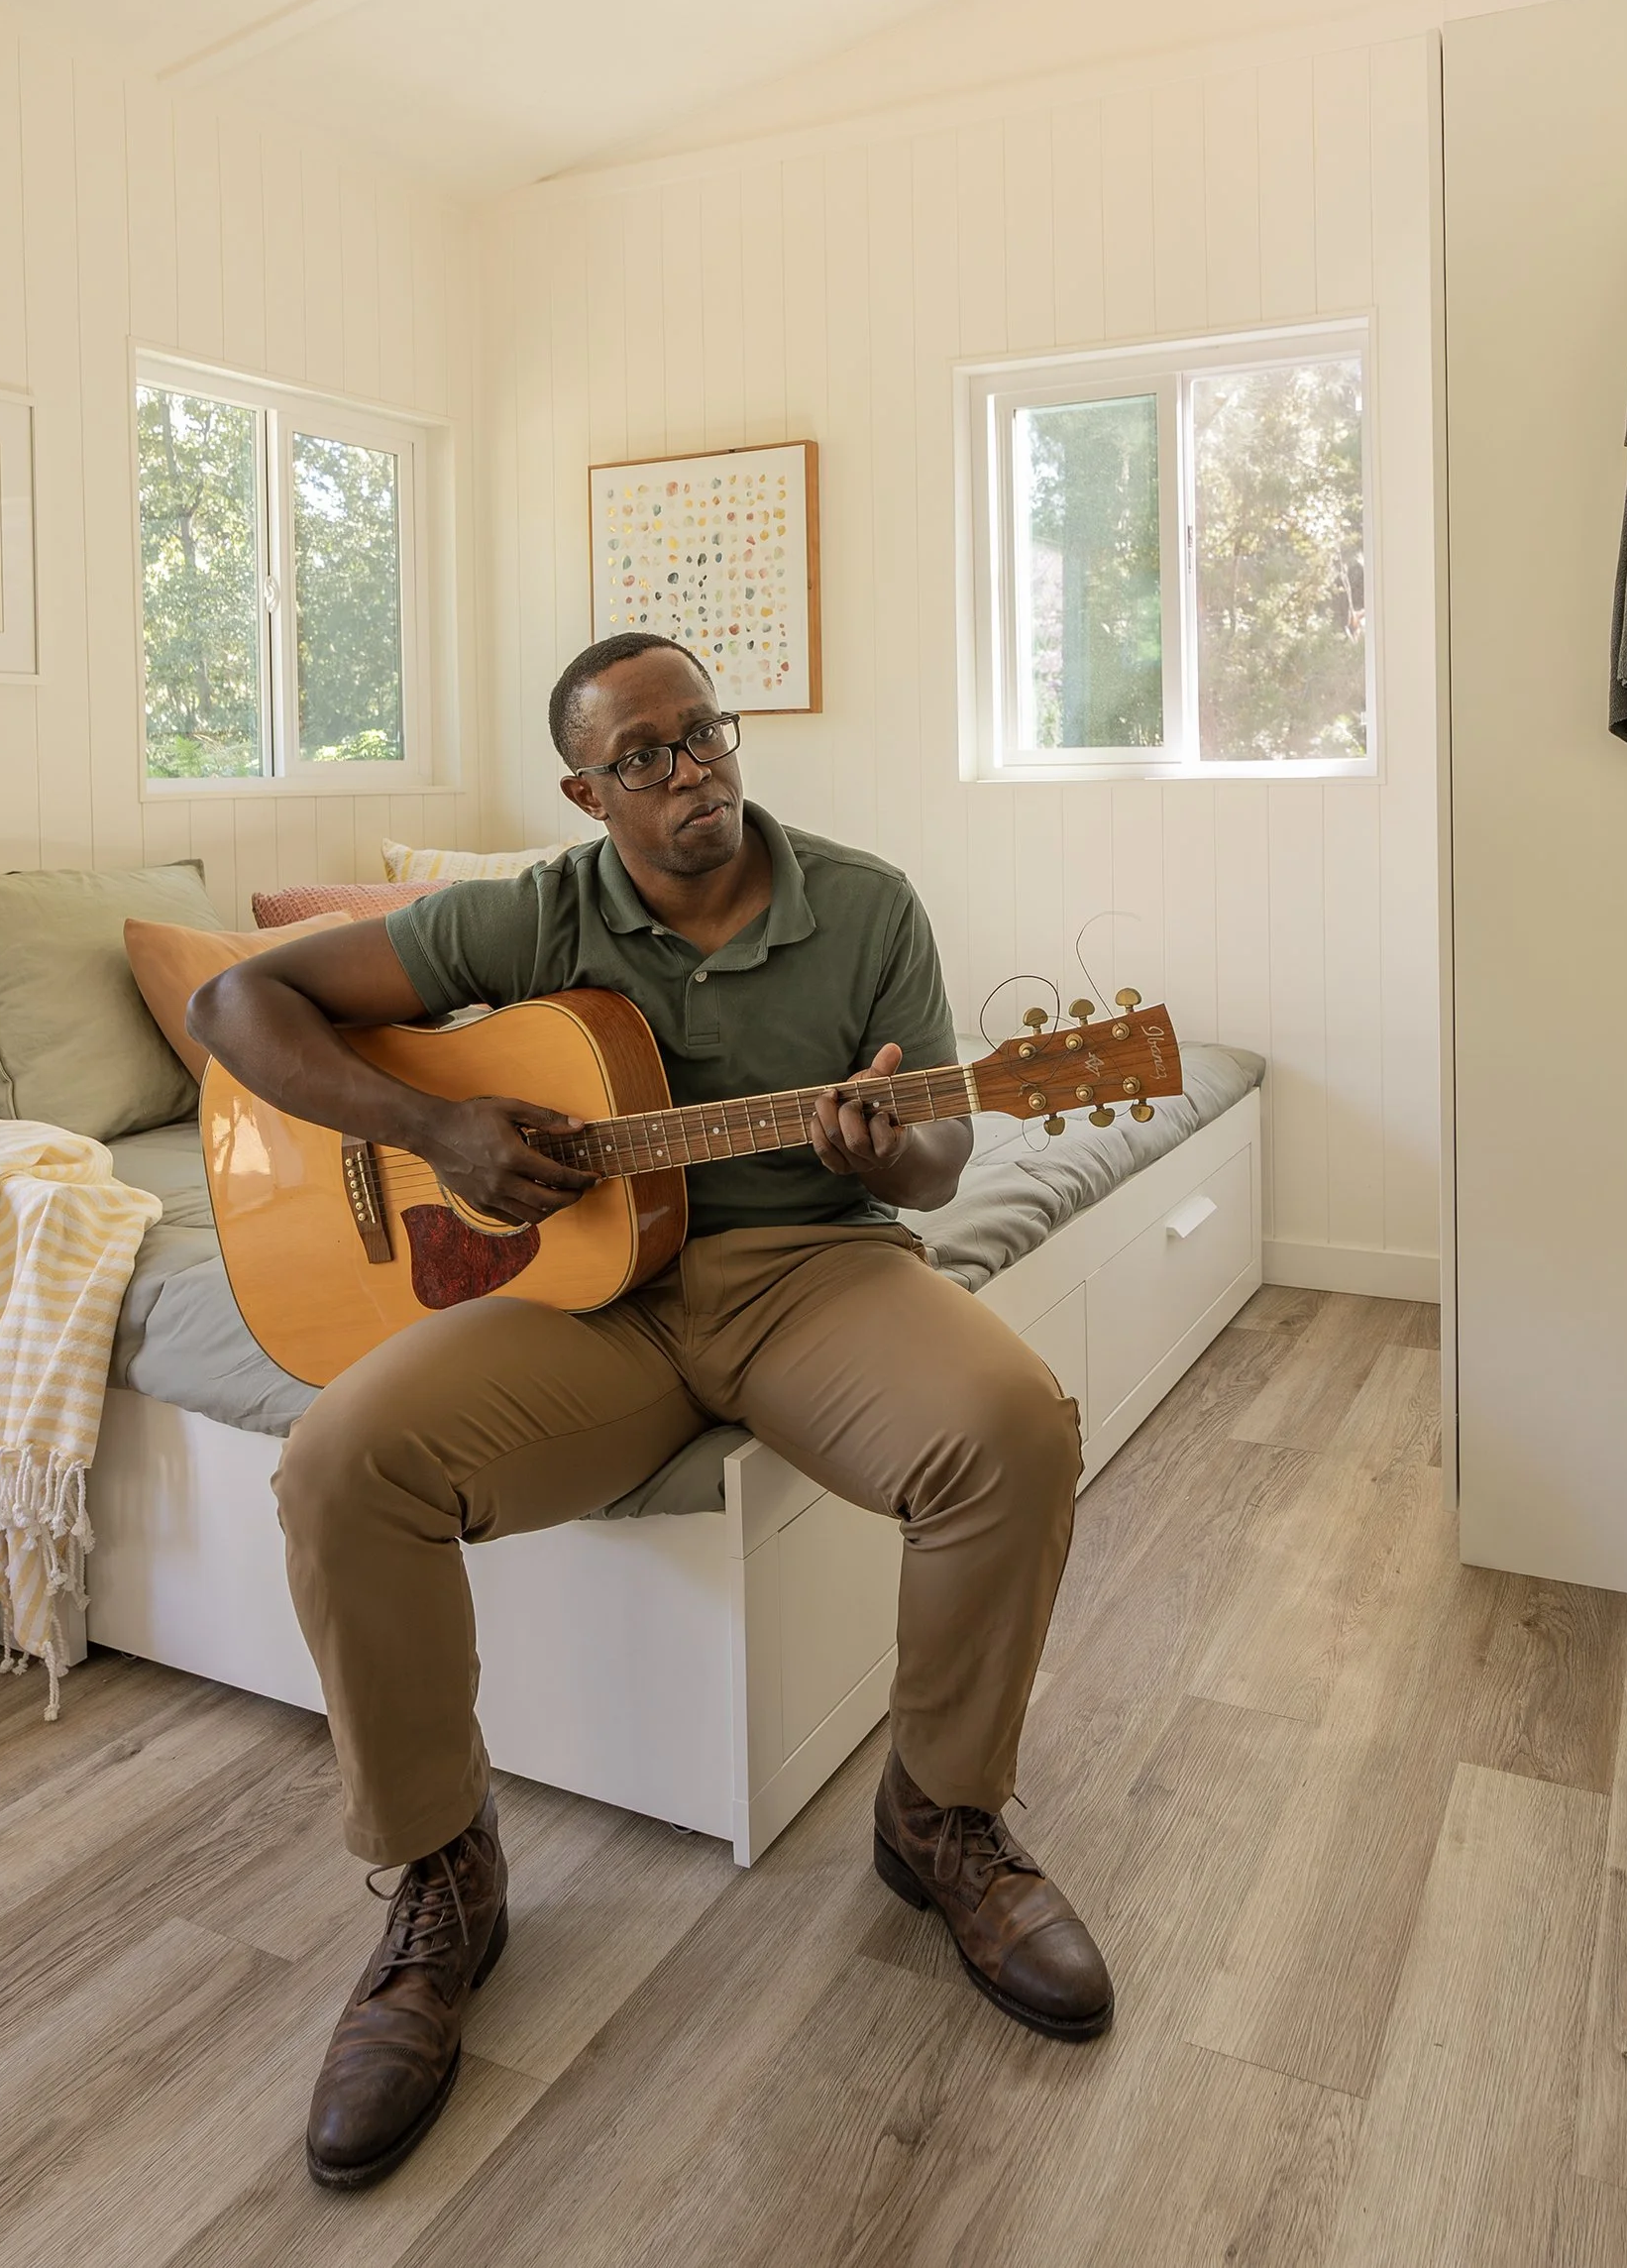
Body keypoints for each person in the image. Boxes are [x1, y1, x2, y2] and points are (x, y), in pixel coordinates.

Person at [190, 631, 1112, 2193]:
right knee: (340, 1461)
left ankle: (939, 1815)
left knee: (1013, 1424)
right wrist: (433, 1127)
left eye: (708, 734)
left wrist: (891, 1151)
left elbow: (945, 1169)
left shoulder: (866, 905)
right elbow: (237, 1002)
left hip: (805, 1269)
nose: (695, 773)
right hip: (577, 1301)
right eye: (648, 757)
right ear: (585, 790)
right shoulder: (531, 911)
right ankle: (442, 1879)